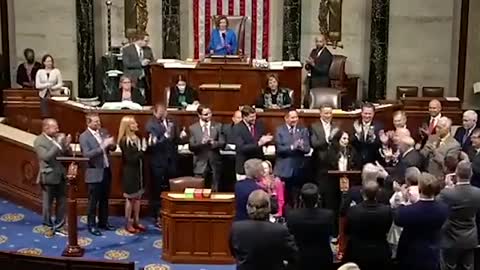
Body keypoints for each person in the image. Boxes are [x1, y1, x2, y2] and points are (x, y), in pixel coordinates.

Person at [230, 190, 298, 269]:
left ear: (248, 207)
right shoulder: (280, 230)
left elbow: (234, 252)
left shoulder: (237, 228)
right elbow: (293, 255)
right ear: (269, 207)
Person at [145, 103, 188, 227]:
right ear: (155, 112)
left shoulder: (172, 122)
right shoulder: (150, 125)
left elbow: (177, 140)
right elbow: (153, 145)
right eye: (161, 111)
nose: (164, 113)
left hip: (172, 161)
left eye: (165, 111)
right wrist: (165, 136)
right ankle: (158, 215)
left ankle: (172, 212)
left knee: (171, 187)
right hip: (158, 162)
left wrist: (182, 137)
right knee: (158, 189)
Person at [395, 172, 449, 270]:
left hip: (410, 256)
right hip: (432, 255)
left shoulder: (409, 211)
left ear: (420, 189)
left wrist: (404, 200)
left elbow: (398, 219)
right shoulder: (443, 209)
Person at [437, 161, 480, 270]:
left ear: (456, 173)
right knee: (468, 267)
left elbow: (435, 204)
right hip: (470, 238)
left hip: (450, 238)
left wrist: (447, 187)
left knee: (448, 266)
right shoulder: (478, 193)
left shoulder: (447, 193)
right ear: (471, 174)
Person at [79, 113, 116, 236]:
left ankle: (103, 222)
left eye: (99, 121)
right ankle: (91, 225)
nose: (98, 124)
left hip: (106, 170)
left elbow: (112, 148)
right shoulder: (84, 137)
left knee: (105, 199)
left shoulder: (103, 132)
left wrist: (111, 144)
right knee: (93, 201)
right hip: (94, 172)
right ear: (88, 123)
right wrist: (102, 146)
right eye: (95, 122)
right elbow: (87, 155)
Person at [33, 118, 71, 237]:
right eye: (55, 128)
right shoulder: (39, 141)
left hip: (60, 175)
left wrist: (66, 145)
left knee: (62, 202)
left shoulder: (56, 138)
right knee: (48, 204)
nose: (58, 130)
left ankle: (59, 226)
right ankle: (48, 226)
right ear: (46, 128)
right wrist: (58, 144)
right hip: (48, 176)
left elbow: (64, 154)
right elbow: (46, 157)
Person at [345, 181, 393, 270]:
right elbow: (387, 228)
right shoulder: (387, 210)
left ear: (363, 193)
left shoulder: (353, 210)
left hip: (358, 252)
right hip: (380, 252)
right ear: (378, 193)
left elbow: (347, 230)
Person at [286, 183, 334, 270]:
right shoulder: (328, 215)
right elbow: (332, 233)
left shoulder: (292, 216)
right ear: (318, 198)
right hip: (323, 259)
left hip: (301, 259)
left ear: (301, 198)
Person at [274, 109, 311, 208]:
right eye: (292, 117)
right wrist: (292, 147)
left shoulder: (303, 130)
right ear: (286, 118)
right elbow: (279, 149)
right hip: (284, 169)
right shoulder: (279, 130)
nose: (295, 120)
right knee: (285, 197)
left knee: (297, 197)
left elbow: (307, 149)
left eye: (296, 117)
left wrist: (301, 147)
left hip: (298, 169)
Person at [118, 115, 146, 233]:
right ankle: (127, 223)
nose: (137, 125)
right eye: (133, 123)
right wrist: (142, 150)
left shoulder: (138, 137)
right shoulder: (124, 141)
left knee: (138, 198)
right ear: (127, 126)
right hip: (130, 172)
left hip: (139, 171)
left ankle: (136, 221)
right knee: (130, 198)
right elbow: (131, 159)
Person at [188, 105, 225, 191]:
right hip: (200, 163)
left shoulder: (218, 126)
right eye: (205, 114)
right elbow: (191, 146)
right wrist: (201, 143)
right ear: (199, 115)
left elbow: (223, 143)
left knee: (215, 189)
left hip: (215, 163)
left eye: (210, 113)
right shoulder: (193, 128)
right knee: (199, 190)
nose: (209, 116)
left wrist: (213, 143)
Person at [233, 105, 272, 180]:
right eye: (251, 117)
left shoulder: (259, 125)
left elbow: (262, 139)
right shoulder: (237, 128)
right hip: (244, 166)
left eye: (255, 116)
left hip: (258, 165)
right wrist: (258, 143)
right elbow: (241, 148)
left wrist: (267, 140)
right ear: (244, 117)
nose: (254, 119)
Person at [122, 32, 150, 100]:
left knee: (143, 98)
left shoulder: (148, 49)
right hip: (132, 77)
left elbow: (152, 60)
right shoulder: (127, 50)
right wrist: (140, 64)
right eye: (146, 41)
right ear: (139, 40)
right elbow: (126, 64)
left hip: (145, 78)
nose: (147, 43)